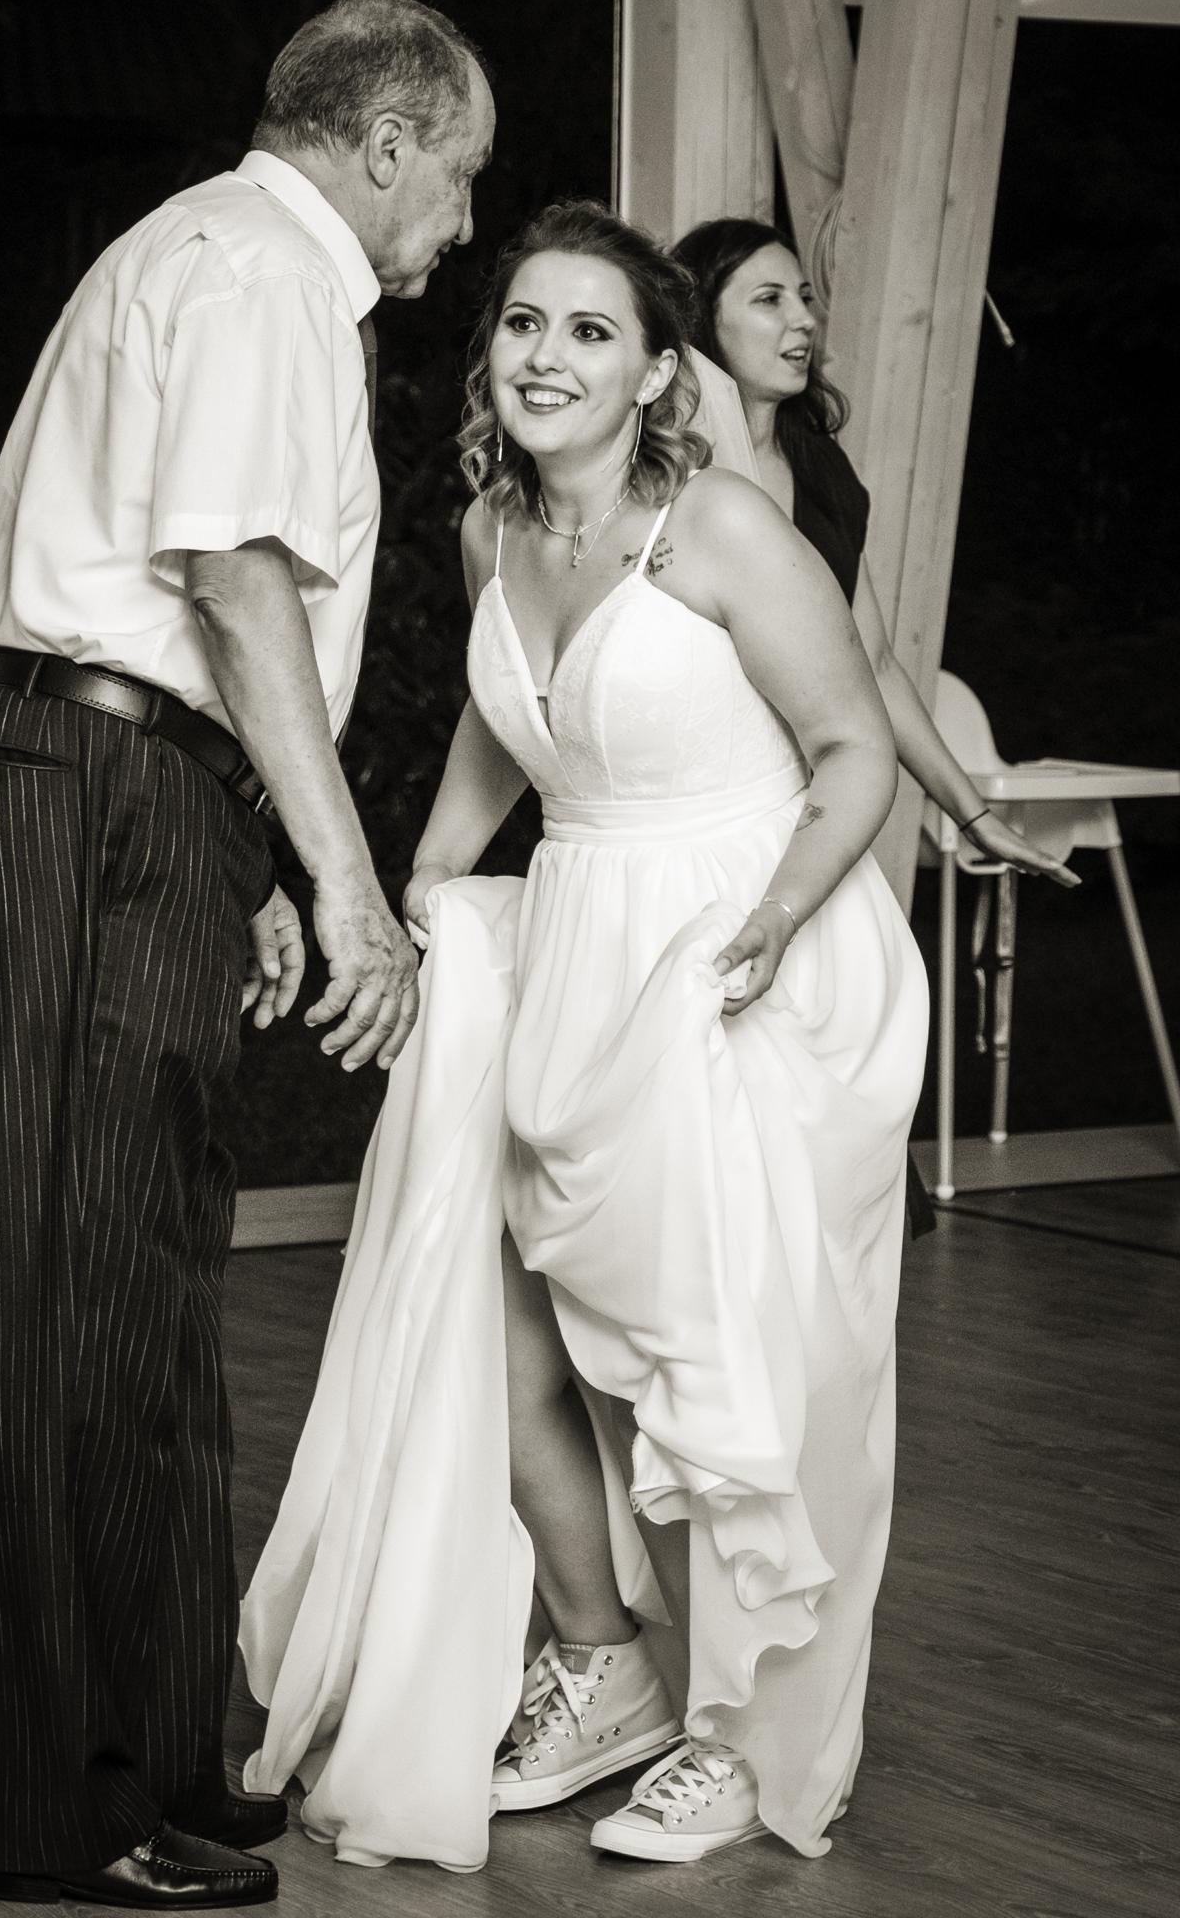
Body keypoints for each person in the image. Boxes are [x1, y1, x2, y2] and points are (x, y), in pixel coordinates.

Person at [240, 201, 929, 1871]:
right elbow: (514, 723)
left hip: (748, 953)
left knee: (729, 1370)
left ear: (655, 374)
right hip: (577, 947)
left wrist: (770, 922)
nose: (548, 356)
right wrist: (419, 881)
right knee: (512, 1340)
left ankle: (746, 1742)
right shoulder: (495, 532)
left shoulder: (721, 529)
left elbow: (854, 749)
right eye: (525, 323)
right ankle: (604, 1667)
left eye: (592, 331)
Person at [0, 0, 495, 1909]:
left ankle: (167, 1750)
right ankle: (70, 1809)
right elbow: (235, 586)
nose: (464, 225)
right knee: (88, 1282)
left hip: (135, 780)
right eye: (459, 177)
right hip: (87, 776)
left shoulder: (231, 258)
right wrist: (342, 885)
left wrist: (239, 846)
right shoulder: (258, 271)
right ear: (388, 142)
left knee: (154, 1271)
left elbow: (204, 631)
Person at [670, 218, 1079, 892]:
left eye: (805, 297)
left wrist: (972, 814)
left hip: (802, 821)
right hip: (686, 825)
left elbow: (874, 663)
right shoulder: (665, 478)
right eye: (770, 299)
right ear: (700, 322)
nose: (804, 319)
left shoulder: (823, 474)